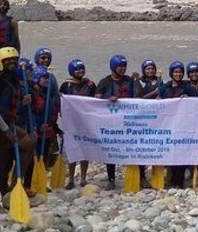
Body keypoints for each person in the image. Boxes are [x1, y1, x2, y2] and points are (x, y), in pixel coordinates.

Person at [0, 47, 34, 211]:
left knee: (29, 142)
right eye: (8, 60)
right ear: (0, 62)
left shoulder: (13, 78)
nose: (12, 62)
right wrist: (6, 131)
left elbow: (10, 103)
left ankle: (15, 185)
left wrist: (22, 102)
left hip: (8, 122)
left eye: (14, 59)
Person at [95, 55, 137, 190]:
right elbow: (95, 101)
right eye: (120, 66)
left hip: (128, 122)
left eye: (125, 66)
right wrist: (107, 99)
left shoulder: (129, 81)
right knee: (111, 150)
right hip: (111, 123)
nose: (123, 69)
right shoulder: (104, 82)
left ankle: (138, 176)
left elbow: (139, 97)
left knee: (134, 148)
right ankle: (111, 179)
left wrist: (136, 81)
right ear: (113, 67)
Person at [60, 59, 96, 189]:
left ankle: (83, 178)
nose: (80, 71)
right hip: (71, 123)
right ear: (71, 71)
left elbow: (95, 102)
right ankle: (70, 179)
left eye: (82, 68)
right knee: (72, 150)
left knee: (84, 149)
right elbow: (62, 102)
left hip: (86, 122)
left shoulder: (90, 84)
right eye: (77, 69)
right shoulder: (66, 85)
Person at [24, 65, 60, 191]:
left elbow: (51, 112)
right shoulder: (32, 94)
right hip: (35, 132)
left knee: (43, 157)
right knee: (33, 159)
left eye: (47, 78)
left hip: (47, 132)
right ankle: (30, 183)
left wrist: (55, 127)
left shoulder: (48, 93)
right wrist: (39, 127)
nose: (46, 80)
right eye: (44, 78)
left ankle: (40, 181)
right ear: (36, 78)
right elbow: (30, 114)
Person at [158, 61, 193, 188]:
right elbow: (158, 99)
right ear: (171, 73)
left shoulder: (187, 87)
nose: (178, 74)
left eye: (180, 72)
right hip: (169, 125)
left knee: (181, 152)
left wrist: (187, 98)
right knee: (170, 151)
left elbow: (197, 101)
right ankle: (171, 179)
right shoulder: (165, 87)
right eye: (175, 72)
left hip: (183, 125)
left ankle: (179, 181)